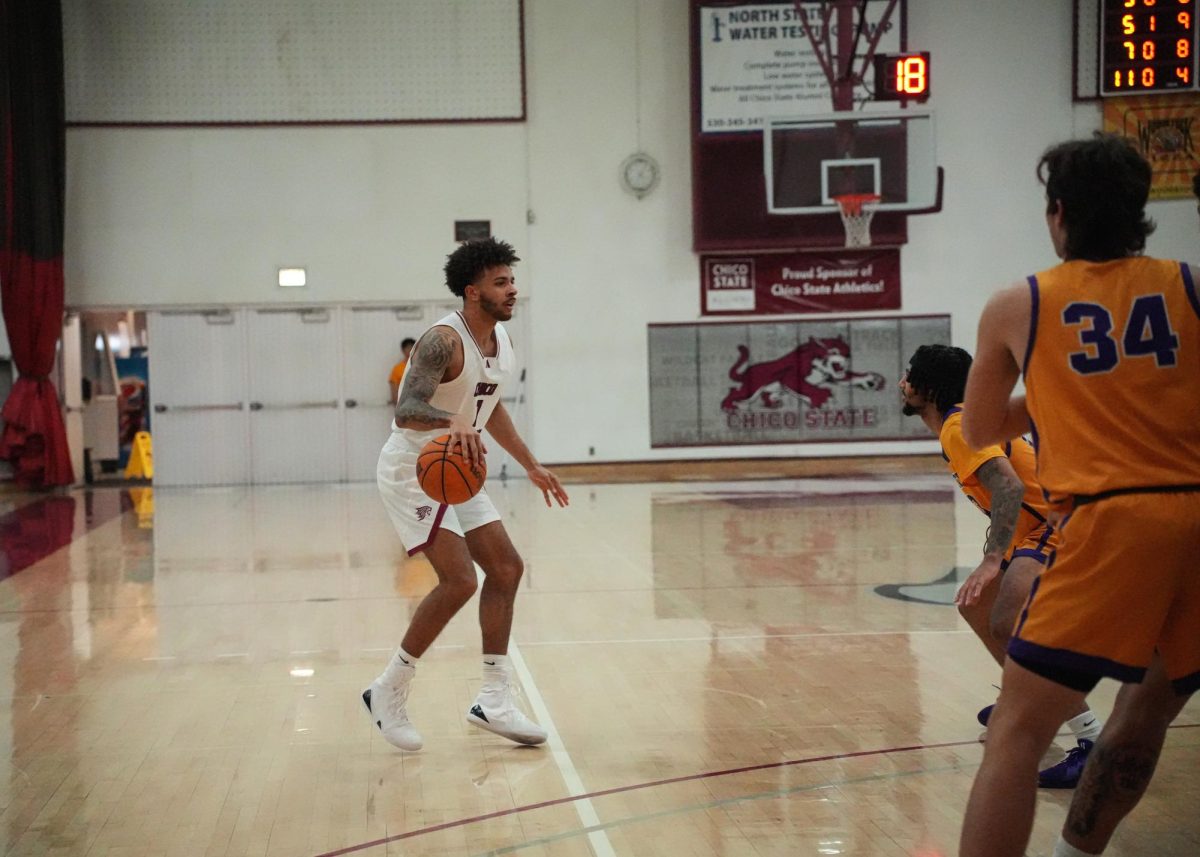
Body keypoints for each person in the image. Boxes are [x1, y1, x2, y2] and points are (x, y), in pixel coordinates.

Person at [958, 135, 1199, 857]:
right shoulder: (1190, 284)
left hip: (1112, 521)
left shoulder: (1019, 303)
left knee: (1019, 727)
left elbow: (979, 428)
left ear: (1056, 214)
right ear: (1140, 212)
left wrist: (1062, 396)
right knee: (1150, 702)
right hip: (1195, 511)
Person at [364, 237, 570, 751]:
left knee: (505, 569)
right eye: (502, 283)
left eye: (512, 281)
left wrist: (531, 464)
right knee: (459, 581)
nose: (512, 290)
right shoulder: (442, 340)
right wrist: (451, 418)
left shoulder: (501, 343)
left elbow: (490, 407)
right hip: (415, 466)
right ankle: (388, 689)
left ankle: (494, 700)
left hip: (459, 467)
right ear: (473, 291)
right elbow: (407, 408)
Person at [899, 344, 1101, 788]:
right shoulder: (960, 422)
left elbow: (1008, 488)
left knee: (1008, 620)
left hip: (1058, 520)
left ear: (927, 388)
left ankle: (1092, 742)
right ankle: (1025, 702)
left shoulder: (958, 427)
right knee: (977, 607)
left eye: (909, 375)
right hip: (1037, 526)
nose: (902, 382)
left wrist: (993, 558)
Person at [388, 337, 416, 404]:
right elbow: (393, 389)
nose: (410, 350)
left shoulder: (423, 367)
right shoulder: (397, 368)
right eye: (408, 348)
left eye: (413, 347)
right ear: (403, 350)